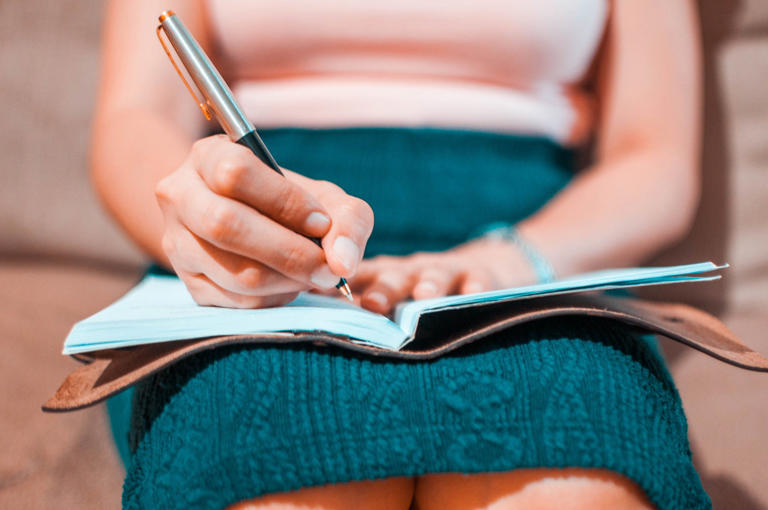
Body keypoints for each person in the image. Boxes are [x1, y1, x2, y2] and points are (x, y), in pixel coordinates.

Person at [91, 0, 708, 508]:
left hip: (541, 255)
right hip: (267, 248)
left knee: (573, 492)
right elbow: (134, 117)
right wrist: (207, 219)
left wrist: (515, 259)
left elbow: (654, 156)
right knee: (272, 483)